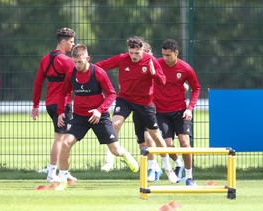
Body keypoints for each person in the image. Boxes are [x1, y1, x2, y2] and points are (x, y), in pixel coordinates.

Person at [54, 43, 139, 191]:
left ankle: (124, 153)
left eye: (80, 62)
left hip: (99, 116)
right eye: (74, 62)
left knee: (115, 151)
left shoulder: (98, 72)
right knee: (66, 143)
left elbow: (112, 94)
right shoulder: (72, 73)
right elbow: (64, 93)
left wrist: (99, 110)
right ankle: (63, 180)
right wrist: (61, 111)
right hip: (80, 116)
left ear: (87, 58)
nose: (77, 65)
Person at [96, 36, 178, 183]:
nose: (133, 56)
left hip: (144, 103)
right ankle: (110, 159)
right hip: (125, 99)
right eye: (131, 53)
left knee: (155, 136)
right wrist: (87, 69)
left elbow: (163, 80)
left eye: (137, 53)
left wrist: (153, 74)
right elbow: (102, 65)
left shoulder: (151, 61)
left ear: (142, 50)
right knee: (115, 124)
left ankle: (168, 169)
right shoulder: (122, 58)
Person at [30, 27, 77, 183]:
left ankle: (63, 171)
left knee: (61, 138)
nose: (73, 45)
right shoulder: (66, 61)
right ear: (63, 42)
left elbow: (38, 83)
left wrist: (35, 105)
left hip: (49, 103)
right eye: (71, 42)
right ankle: (53, 173)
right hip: (62, 105)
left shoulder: (45, 59)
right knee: (61, 139)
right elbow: (76, 81)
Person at [154, 39, 201, 186]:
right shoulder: (157, 64)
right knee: (167, 145)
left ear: (176, 53)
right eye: (163, 55)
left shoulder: (186, 69)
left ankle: (189, 177)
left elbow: (196, 88)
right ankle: (178, 163)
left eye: (168, 55)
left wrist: (190, 108)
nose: (165, 58)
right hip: (161, 113)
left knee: (185, 143)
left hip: (180, 112)